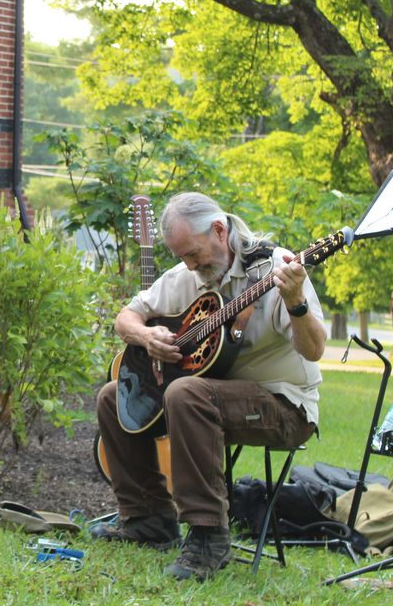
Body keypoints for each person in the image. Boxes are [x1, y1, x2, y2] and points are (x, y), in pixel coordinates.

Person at [93, 192, 326, 581]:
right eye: (181, 256)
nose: (189, 265)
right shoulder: (192, 275)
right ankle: (148, 518)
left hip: (283, 404)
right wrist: (147, 338)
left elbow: (315, 349)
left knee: (185, 393)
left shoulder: (275, 269)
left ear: (219, 230)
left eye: (193, 253)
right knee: (112, 396)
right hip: (208, 402)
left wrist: (296, 301)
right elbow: (126, 316)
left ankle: (208, 536)